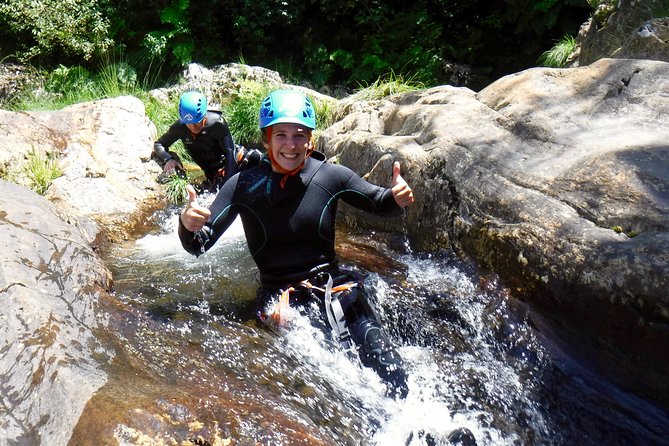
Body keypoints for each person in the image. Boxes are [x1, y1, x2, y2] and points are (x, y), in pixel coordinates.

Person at [178, 89, 415, 398]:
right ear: (266, 138)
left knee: (385, 360)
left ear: (310, 139)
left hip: (336, 288)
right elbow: (198, 244)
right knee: (329, 377)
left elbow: (377, 201)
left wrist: (397, 197)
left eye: (299, 135)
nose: (291, 145)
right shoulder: (243, 186)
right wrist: (186, 224)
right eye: (281, 135)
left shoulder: (329, 176)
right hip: (282, 298)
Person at [153, 91, 262, 192]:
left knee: (257, 158)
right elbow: (159, 144)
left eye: (196, 122)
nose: (192, 127)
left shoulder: (217, 124)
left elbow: (230, 154)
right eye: (188, 123)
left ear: (205, 115)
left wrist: (227, 185)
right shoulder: (180, 127)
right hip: (213, 173)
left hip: (232, 160)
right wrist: (169, 159)